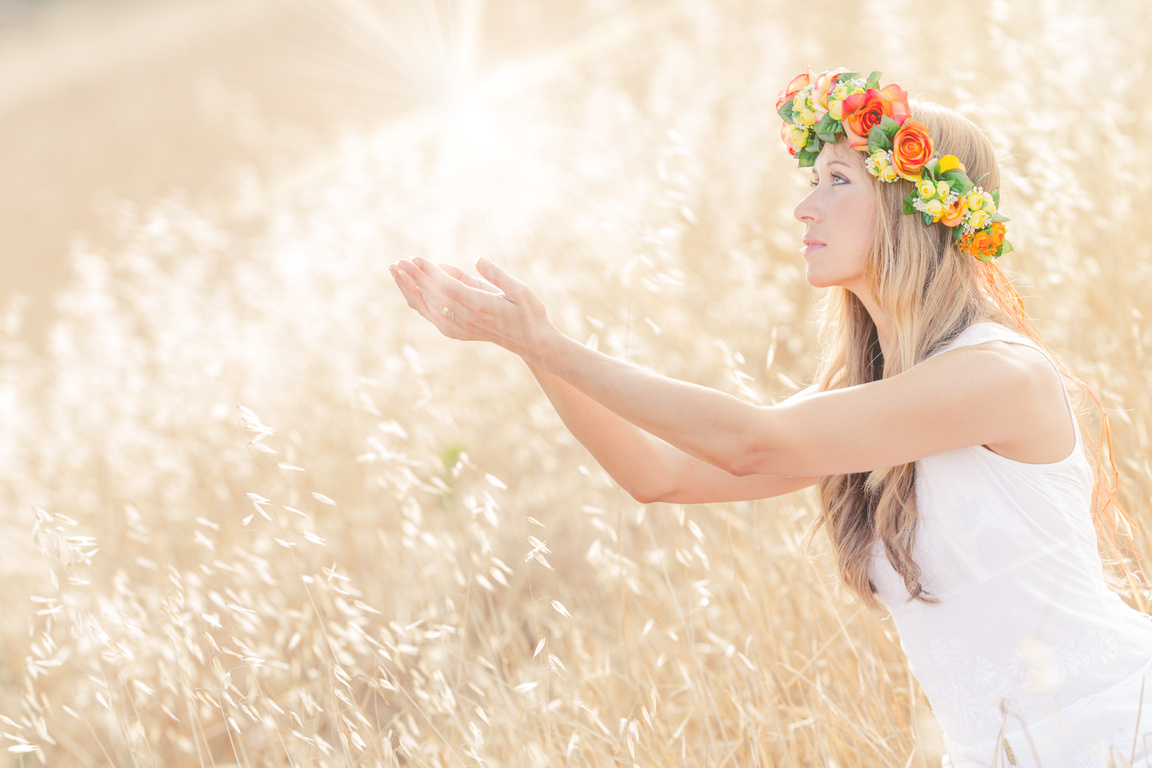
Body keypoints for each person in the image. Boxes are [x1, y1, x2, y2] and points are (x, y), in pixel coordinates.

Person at [390, 68, 1152, 767]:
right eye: (810, 180)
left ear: (910, 205)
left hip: (1113, 725)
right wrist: (532, 350)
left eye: (836, 180)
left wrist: (554, 343)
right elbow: (658, 478)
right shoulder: (873, 408)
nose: (803, 206)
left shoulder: (999, 374)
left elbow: (752, 444)